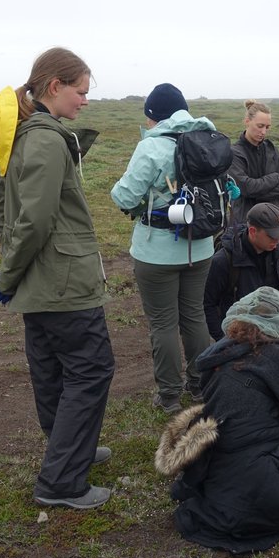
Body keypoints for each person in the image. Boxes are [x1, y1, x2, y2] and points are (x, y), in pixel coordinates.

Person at [0, 47, 115, 510]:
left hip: (43, 282)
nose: (85, 101)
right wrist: (9, 274)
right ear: (55, 86)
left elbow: (2, 208)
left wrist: (13, 273)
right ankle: (62, 481)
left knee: (53, 369)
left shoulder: (19, 137)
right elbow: (33, 220)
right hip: (64, 284)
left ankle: (69, 451)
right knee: (90, 370)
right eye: (81, 91)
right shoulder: (47, 140)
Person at [156, 287, 279, 552]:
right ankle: (265, 514)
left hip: (218, 460)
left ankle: (222, 496)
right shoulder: (276, 355)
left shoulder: (219, 353)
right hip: (255, 467)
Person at [111, 83, 217, 412]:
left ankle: (170, 395)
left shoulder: (152, 147)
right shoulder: (210, 138)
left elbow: (124, 197)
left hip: (156, 251)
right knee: (194, 316)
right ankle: (201, 385)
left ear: (154, 117)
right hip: (201, 247)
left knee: (163, 323)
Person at [202, 203, 279, 377]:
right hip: (243, 334)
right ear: (253, 231)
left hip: (276, 327)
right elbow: (209, 304)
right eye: (272, 236)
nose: (277, 240)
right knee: (252, 370)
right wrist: (224, 339)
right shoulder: (223, 260)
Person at [228, 99, 279, 229]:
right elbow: (244, 188)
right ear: (247, 121)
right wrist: (273, 179)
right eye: (260, 126)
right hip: (246, 223)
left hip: (275, 221)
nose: (263, 132)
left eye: (267, 127)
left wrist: (253, 194)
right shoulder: (234, 154)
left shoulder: (272, 150)